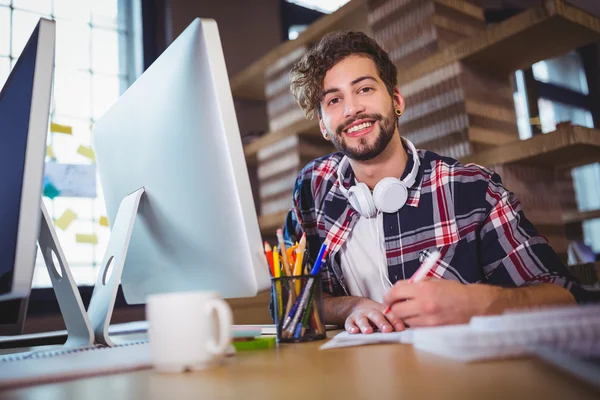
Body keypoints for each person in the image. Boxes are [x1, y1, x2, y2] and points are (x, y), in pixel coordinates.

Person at [282, 31, 588, 335]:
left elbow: (567, 296)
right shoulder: (313, 187)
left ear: (396, 99)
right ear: (324, 126)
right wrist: (350, 306)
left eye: (364, 89)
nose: (351, 109)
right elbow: (287, 301)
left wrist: (479, 303)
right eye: (334, 99)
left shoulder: (474, 189)